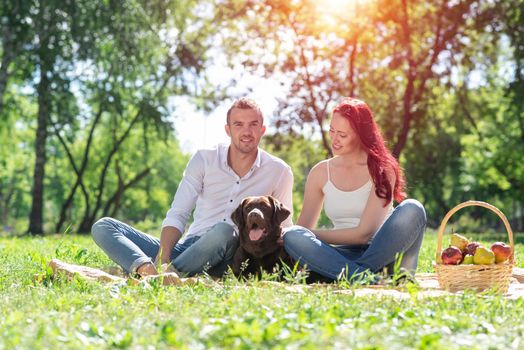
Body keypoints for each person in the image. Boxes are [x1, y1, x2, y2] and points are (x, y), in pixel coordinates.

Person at [91, 97, 294, 279]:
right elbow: (178, 213)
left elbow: (284, 227)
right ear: (228, 129)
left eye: (253, 124)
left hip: (228, 252)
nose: (246, 131)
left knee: (224, 230)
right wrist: (164, 258)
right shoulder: (204, 159)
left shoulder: (279, 171)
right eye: (238, 124)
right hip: (188, 248)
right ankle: (149, 271)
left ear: (262, 130)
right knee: (104, 226)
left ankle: (161, 274)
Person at [283, 98, 426, 283]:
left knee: (413, 208)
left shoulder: (382, 170)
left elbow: (363, 234)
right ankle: (366, 277)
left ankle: (349, 274)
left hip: (384, 253)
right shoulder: (320, 172)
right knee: (292, 236)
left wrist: (313, 234)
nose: (334, 140)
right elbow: (301, 230)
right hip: (340, 255)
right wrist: (296, 234)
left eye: (342, 135)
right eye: (332, 131)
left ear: (360, 135)